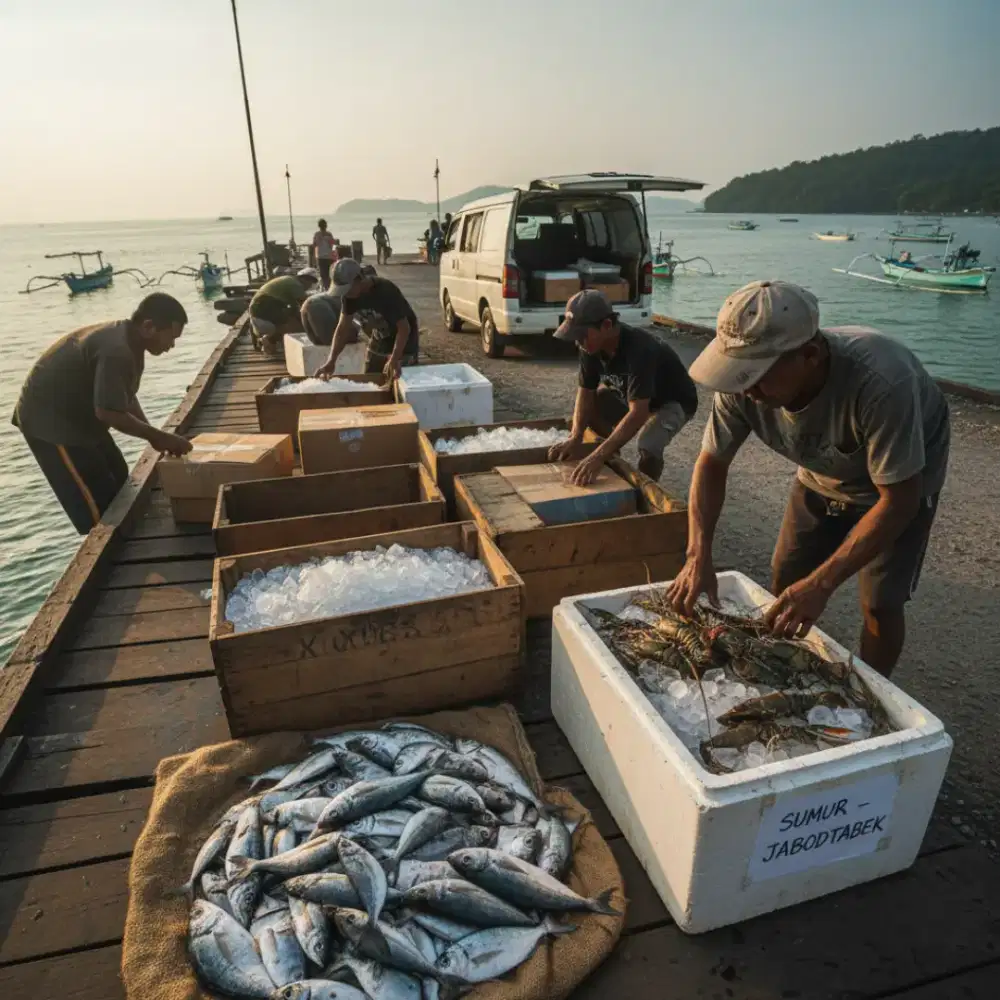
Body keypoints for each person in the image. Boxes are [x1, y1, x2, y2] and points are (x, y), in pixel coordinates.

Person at [667, 280, 949, 677]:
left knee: (880, 602)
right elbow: (711, 463)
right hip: (821, 471)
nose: (745, 389)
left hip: (899, 483)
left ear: (811, 355)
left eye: (756, 375)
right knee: (787, 575)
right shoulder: (742, 384)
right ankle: (783, 666)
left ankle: (871, 692)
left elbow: (899, 500)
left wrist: (824, 584)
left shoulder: (883, 382)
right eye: (737, 372)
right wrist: (697, 555)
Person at [12, 293, 192, 534]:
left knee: (117, 477)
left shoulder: (131, 342)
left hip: (82, 417)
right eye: (171, 337)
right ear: (148, 327)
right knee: (95, 505)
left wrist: (155, 435)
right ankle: (107, 553)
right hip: (52, 423)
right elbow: (108, 412)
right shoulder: (117, 349)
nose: (171, 346)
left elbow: (124, 398)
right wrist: (158, 438)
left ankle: (123, 536)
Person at [548, 289, 698, 485]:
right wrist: (575, 436)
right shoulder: (588, 347)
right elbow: (585, 392)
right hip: (634, 395)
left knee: (648, 445)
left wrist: (597, 455)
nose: (578, 342)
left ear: (607, 325)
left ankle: (646, 492)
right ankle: (613, 459)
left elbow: (638, 413)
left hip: (672, 401)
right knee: (591, 408)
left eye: (582, 335)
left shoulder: (641, 350)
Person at [315, 258, 419, 379]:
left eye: (348, 288)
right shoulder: (349, 297)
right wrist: (331, 361)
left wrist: (395, 358)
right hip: (380, 338)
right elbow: (343, 328)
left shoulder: (385, 291)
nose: (346, 293)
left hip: (404, 341)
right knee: (370, 380)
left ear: (359, 278)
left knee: (397, 382)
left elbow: (404, 328)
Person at [248, 269, 318, 354]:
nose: (309, 286)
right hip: (264, 307)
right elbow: (306, 306)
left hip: (256, 311)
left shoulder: (287, 280)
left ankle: (268, 339)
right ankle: (269, 338)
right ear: (304, 279)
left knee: (293, 316)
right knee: (295, 324)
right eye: (310, 282)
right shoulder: (295, 285)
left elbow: (295, 308)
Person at [312, 219, 336, 289]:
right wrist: (335, 255)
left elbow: (314, 245)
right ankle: (329, 288)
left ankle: (326, 288)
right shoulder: (329, 234)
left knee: (323, 274)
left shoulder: (317, 234)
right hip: (329, 257)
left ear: (319, 226)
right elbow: (333, 245)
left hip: (321, 257)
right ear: (326, 225)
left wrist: (314, 257)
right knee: (330, 274)